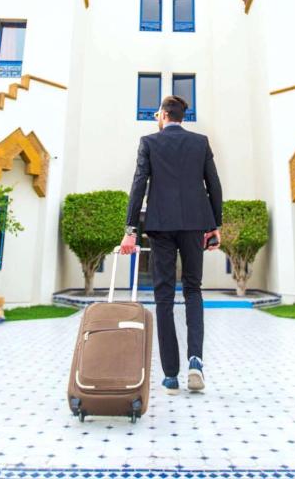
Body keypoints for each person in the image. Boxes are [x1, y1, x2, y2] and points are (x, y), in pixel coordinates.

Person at [120, 94, 223, 395]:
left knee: (163, 296)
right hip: (194, 224)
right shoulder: (200, 142)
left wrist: (130, 230)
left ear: (164, 115)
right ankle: (195, 361)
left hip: (161, 226)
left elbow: (139, 183)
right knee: (193, 289)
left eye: (158, 116)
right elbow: (213, 184)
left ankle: (170, 376)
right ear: (182, 116)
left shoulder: (149, 143)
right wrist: (214, 226)